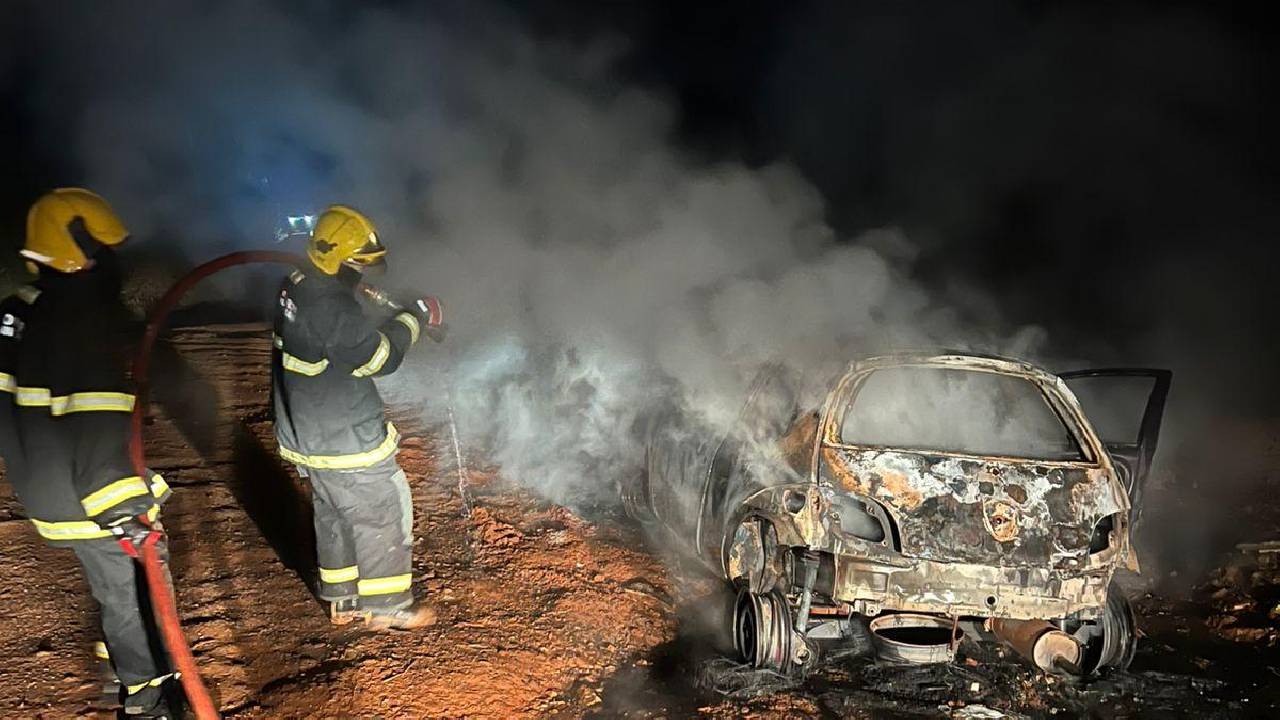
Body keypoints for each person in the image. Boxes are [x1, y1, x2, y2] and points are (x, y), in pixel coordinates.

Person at [0, 188, 177, 718]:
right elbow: (97, 423)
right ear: (82, 255)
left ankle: (119, 671)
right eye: (106, 252)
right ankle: (147, 702)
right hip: (91, 497)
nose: (113, 263)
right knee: (139, 591)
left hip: (45, 485)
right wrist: (124, 513)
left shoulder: (18, 313)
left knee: (113, 592)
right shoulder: (85, 319)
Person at [271, 204, 444, 629]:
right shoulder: (331, 306)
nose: (362, 274)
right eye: (356, 265)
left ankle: (343, 600)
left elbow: (331, 336)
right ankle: (387, 607)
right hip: (343, 434)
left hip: (305, 433)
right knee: (379, 511)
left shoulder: (296, 284)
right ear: (334, 260)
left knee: (332, 511)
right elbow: (377, 358)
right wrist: (413, 319)